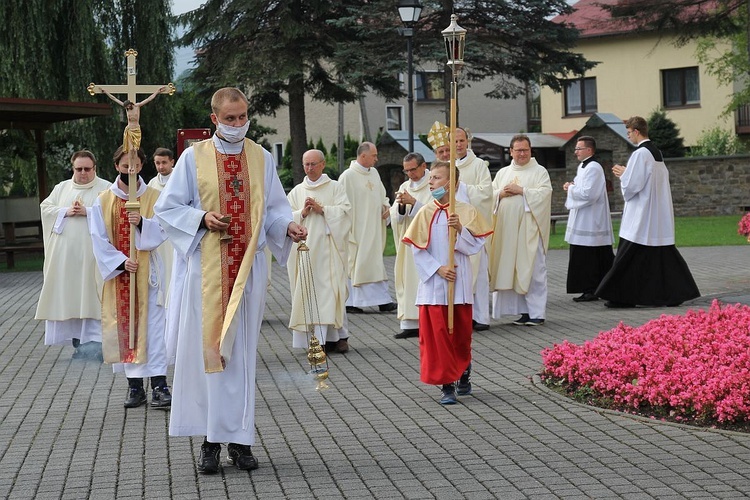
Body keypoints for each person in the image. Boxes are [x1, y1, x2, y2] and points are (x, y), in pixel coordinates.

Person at [153, 87, 307, 474]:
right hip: (205, 271)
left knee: (240, 357)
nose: (238, 124)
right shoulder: (193, 158)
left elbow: (273, 209)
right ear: (214, 119)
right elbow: (168, 207)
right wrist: (201, 218)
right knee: (210, 354)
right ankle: (209, 441)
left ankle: (239, 440)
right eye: (230, 118)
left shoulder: (261, 157)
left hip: (247, 272)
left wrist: (288, 226)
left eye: (242, 117)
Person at [402, 161, 492, 405]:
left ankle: (463, 371)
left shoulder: (466, 211)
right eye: (431, 178)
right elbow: (417, 250)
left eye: (437, 178)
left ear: (452, 183)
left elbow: (475, 246)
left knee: (460, 336)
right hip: (434, 287)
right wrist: (437, 268)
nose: (431, 182)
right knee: (438, 337)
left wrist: (461, 229)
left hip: (459, 286)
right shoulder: (425, 212)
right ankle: (446, 384)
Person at [89, 146, 171, 410]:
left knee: (154, 330)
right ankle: (135, 386)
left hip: (150, 276)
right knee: (127, 329)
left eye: (135, 167)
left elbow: (164, 229)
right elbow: (97, 239)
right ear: (117, 167)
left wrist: (142, 224)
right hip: (121, 275)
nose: (130, 171)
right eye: (126, 167)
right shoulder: (102, 200)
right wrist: (121, 262)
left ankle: (159, 384)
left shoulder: (156, 197)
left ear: (142, 165)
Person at [595, 116, 700, 307]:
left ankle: (621, 296)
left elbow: (633, 185)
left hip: (642, 215)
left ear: (636, 131)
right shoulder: (655, 152)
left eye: (629, 133)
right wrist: (629, 172)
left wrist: (623, 174)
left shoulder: (640, 154)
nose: (629, 137)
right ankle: (675, 293)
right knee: (661, 256)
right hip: (656, 213)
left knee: (628, 256)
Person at [35, 150, 111, 360]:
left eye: (87, 169)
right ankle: (78, 344)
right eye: (79, 169)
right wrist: (65, 211)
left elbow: (114, 214)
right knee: (70, 299)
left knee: (92, 299)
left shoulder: (105, 188)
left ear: (95, 168)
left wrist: (88, 212)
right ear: (73, 168)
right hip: (66, 260)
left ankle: (96, 345)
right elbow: (46, 207)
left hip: (93, 258)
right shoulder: (62, 188)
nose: (83, 173)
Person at [287, 149, 352, 354]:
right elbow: (286, 218)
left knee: (329, 293)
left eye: (313, 164)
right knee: (308, 293)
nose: (309, 168)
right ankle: (318, 340)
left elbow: (346, 213)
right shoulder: (297, 191)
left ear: (323, 164)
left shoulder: (335, 187)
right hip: (304, 252)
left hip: (328, 251)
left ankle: (331, 338)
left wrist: (322, 209)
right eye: (306, 164)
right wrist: (302, 213)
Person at [489, 134, 552, 326]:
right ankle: (522, 311)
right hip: (507, 230)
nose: (522, 154)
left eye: (525, 150)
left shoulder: (540, 171)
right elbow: (490, 195)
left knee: (532, 269)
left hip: (529, 229)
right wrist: (500, 193)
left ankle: (537, 313)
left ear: (531, 150)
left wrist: (522, 191)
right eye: (518, 150)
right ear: (511, 152)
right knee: (512, 269)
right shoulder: (503, 173)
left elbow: (545, 193)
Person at [338, 141, 397, 314]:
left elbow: (382, 194)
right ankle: (351, 303)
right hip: (357, 230)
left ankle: (383, 300)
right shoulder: (347, 176)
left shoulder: (374, 173)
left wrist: (386, 207)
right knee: (358, 263)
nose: (377, 159)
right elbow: (342, 204)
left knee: (375, 262)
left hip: (374, 228)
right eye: (374, 156)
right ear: (363, 156)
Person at [563, 136, 615, 302]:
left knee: (590, 257)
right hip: (584, 218)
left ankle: (593, 289)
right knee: (584, 255)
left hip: (591, 220)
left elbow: (589, 194)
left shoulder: (593, 167)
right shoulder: (583, 167)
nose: (575, 152)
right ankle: (590, 289)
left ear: (589, 150)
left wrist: (571, 188)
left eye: (579, 148)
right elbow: (582, 188)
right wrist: (572, 186)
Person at [452, 127, 494, 331]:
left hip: (474, 226)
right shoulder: (447, 166)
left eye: (461, 140)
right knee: (461, 273)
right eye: (455, 141)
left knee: (479, 274)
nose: (458, 145)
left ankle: (482, 317)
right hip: (454, 225)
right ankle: (463, 317)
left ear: (468, 141)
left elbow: (487, 192)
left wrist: (464, 188)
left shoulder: (478, 165)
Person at [390, 152, 431, 339]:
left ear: (423, 166)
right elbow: (396, 217)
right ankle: (409, 323)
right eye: (406, 171)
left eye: (413, 170)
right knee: (407, 280)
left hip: (427, 242)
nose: (410, 175)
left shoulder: (434, 183)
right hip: (408, 243)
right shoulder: (405, 186)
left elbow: (436, 211)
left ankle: (426, 322)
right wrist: (399, 206)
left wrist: (414, 202)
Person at [101, 86, 166, 152]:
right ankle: (130, 162)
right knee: (130, 149)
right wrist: (106, 92)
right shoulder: (127, 109)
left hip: (136, 129)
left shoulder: (137, 106)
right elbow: (114, 99)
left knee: (135, 150)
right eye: (126, 107)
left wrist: (157, 91)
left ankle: (134, 161)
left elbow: (149, 99)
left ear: (130, 104)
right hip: (129, 129)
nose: (128, 108)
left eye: (128, 106)